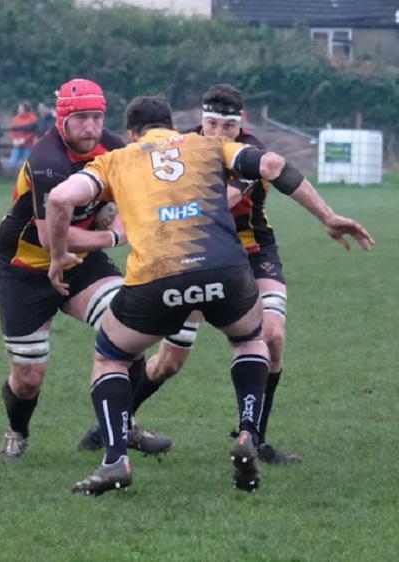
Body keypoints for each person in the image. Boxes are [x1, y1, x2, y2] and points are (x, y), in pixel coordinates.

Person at [46, 96, 373, 495]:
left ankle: (115, 460)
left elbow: (60, 198)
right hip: (225, 271)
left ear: (131, 133)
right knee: (251, 339)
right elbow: (272, 165)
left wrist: (59, 255)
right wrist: (328, 216)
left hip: (158, 278)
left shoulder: (116, 159)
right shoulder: (208, 145)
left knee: (111, 356)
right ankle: (249, 433)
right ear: (173, 125)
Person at [77, 84, 304, 464]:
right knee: (170, 361)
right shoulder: (184, 146)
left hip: (248, 251)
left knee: (271, 334)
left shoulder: (243, 150)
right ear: (200, 120)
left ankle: (255, 438)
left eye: (225, 125)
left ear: (239, 124)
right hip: (191, 255)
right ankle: (116, 422)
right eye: (210, 123)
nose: (217, 132)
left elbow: (225, 195)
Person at [0, 79, 172, 461]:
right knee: (28, 378)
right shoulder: (47, 161)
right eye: (81, 119)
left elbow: (133, 190)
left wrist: (121, 217)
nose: (91, 127)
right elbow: (49, 236)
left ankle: (124, 425)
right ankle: (17, 430)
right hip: (24, 267)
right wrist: (113, 239)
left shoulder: (114, 146)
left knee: (130, 326)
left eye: (97, 117)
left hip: (82, 266)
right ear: (62, 122)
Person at [8, 101, 38, 173]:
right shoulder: (15, 119)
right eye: (19, 108)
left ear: (25, 109)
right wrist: (14, 140)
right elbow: (13, 131)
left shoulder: (32, 118)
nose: (19, 110)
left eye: (21, 108)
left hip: (28, 145)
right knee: (12, 163)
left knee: (26, 164)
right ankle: (16, 178)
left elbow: (33, 132)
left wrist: (24, 140)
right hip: (17, 145)